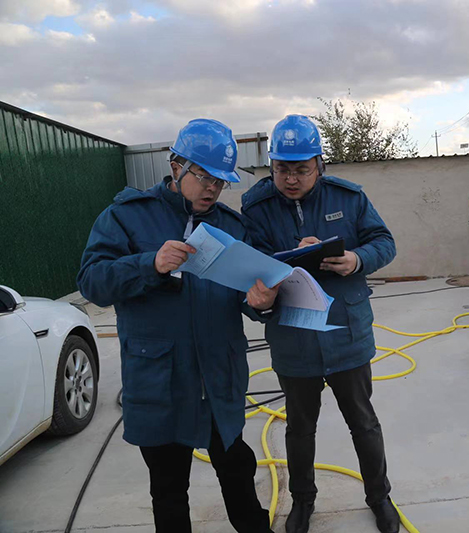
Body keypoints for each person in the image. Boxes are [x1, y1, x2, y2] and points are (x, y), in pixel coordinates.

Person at [77, 118, 279, 533]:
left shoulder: (231, 227)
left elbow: (245, 294)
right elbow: (93, 282)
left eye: (220, 182)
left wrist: (261, 303)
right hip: (161, 380)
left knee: (238, 472)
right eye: (204, 177)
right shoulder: (127, 217)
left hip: (218, 378)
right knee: (169, 489)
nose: (212, 189)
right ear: (176, 167)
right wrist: (149, 264)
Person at [241, 115, 399, 533]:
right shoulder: (256, 209)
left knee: (363, 423)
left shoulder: (349, 198)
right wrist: (265, 289)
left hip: (346, 332)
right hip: (294, 338)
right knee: (299, 429)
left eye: (301, 169)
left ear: (320, 165)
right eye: (282, 169)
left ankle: (379, 497)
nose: (291, 179)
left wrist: (357, 259)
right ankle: (302, 502)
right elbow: (250, 269)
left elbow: (384, 242)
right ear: (271, 166)